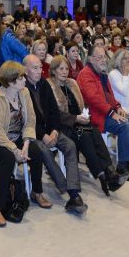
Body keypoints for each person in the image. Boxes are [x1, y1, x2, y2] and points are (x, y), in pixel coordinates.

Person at [47, 56, 127, 196]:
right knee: (85, 136)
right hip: (63, 126)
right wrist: (75, 118)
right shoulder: (49, 86)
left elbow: (82, 105)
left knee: (94, 131)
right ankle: (104, 176)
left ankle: (108, 172)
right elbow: (53, 114)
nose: (65, 72)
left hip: (79, 122)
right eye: (61, 69)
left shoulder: (72, 84)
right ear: (53, 71)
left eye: (67, 68)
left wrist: (83, 115)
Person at [0, 61, 51, 226]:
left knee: (36, 150)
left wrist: (27, 142)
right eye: (21, 77)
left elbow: (30, 121)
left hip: (19, 136)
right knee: (8, 159)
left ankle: (37, 191)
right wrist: (15, 150)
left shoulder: (24, 93)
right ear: (11, 81)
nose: (24, 79)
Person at [23, 55, 87, 215]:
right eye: (35, 68)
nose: (40, 71)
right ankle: (66, 189)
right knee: (43, 150)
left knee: (70, 146)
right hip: (32, 134)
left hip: (50, 130)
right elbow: (26, 120)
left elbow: (54, 112)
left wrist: (55, 131)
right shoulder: (22, 88)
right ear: (25, 70)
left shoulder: (44, 84)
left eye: (40, 67)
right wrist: (43, 135)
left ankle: (73, 194)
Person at [77, 45, 129, 180]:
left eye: (104, 57)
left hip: (105, 111)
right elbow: (93, 99)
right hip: (94, 115)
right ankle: (122, 167)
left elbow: (109, 96)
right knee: (124, 125)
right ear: (90, 58)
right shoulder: (85, 74)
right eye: (99, 57)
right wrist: (111, 113)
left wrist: (117, 107)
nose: (103, 60)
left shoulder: (102, 73)